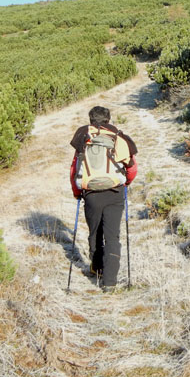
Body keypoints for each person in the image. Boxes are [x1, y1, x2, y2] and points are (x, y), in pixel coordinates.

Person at [69, 106, 138, 288]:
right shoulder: (118, 137)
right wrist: (126, 183)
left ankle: (97, 268)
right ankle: (110, 283)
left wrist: (78, 193)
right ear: (108, 119)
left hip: (91, 193)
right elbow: (132, 167)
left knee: (95, 232)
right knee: (112, 237)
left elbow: (74, 168)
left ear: (91, 119)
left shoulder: (83, 137)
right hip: (115, 192)